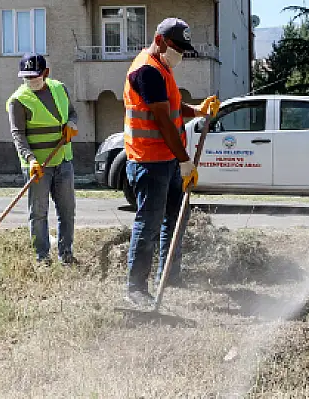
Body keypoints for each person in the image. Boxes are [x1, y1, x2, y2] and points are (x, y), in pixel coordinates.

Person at [123, 17, 220, 307]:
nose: (180, 53)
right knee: (149, 224)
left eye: (183, 49)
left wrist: (198, 110)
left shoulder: (163, 68)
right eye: (176, 46)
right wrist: (185, 161)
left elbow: (173, 108)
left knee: (175, 219)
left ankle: (168, 275)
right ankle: (136, 289)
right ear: (160, 40)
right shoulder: (147, 70)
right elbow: (163, 121)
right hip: (149, 161)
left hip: (166, 159)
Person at [7, 53, 79, 266]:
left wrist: (72, 126)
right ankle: (42, 258)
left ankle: (66, 254)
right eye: (26, 77)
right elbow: (17, 134)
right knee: (38, 213)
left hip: (63, 160)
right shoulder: (18, 100)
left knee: (67, 211)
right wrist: (30, 160)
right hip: (37, 167)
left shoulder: (60, 89)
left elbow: (73, 114)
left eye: (35, 77)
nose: (31, 81)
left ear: (46, 73)